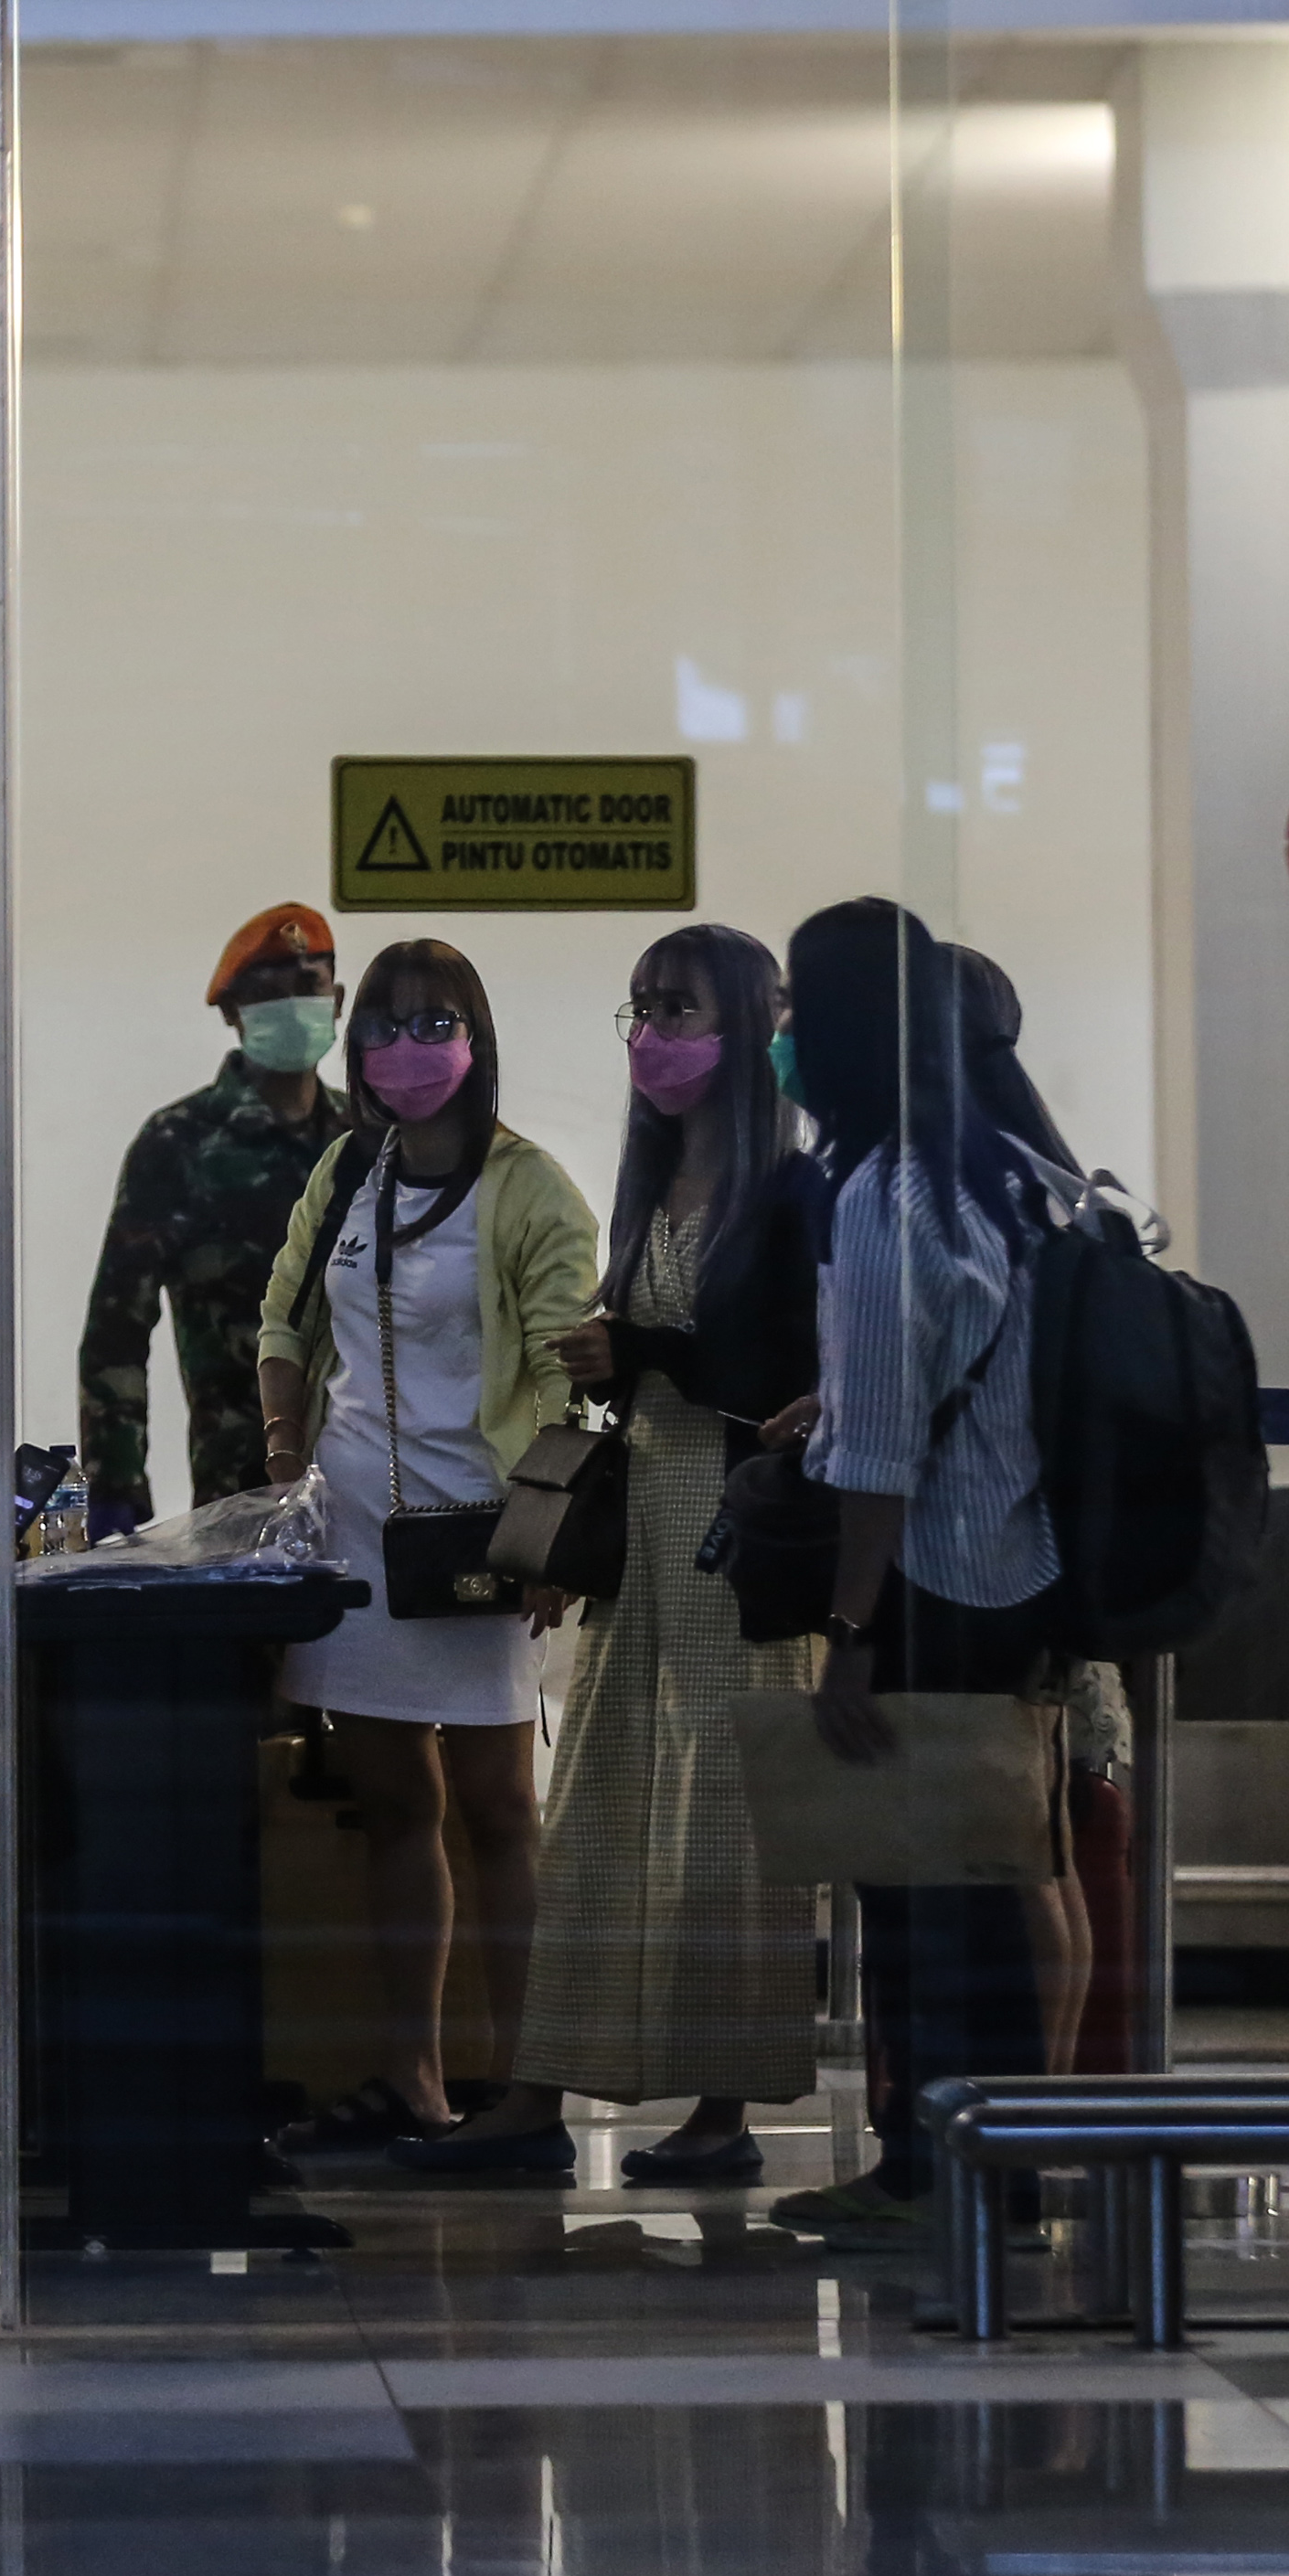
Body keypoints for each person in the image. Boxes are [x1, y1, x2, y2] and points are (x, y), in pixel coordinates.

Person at [410, 922, 829, 2187]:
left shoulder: (791, 1192)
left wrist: (644, 1354)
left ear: (752, 1027)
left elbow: (791, 1382)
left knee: (721, 1824)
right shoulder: (654, 1180)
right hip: (644, 1523)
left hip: (731, 1528)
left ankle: (722, 2103)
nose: (653, 1033)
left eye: (682, 1009)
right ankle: (535, 2086)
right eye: (641, 1007)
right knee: (596, 1811)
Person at [253, 941, 599, 2155]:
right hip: (356, 1528)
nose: (408, 1049)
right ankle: (411, 2074)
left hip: (484, 1531)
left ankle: (526, 2088)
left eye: (433, 1023)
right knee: (392, 1802)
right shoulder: (349, 1165)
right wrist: (284, 1428)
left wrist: (553, 1530)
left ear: (477, 1036)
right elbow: (283, 1308)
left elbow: (572, 1369)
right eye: (387, 1028)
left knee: (502, 1808)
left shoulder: (530, 1187)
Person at [770, 901, 1062, 2239]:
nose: (780, 1033)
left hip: (927, 1588)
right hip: (1016, 1568)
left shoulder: (885, 1198)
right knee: (985, 1885)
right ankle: (991, 2160)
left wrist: (849, 1628)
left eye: (792, 1008)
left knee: (914, 1891)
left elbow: (883, 1456)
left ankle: (922, 2165)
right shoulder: (1004, 1174)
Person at [953, 945, 1134, 2079]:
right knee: (1044, 1851)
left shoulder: (965, 1194)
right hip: (1056, 1558)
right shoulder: (1060, 1189)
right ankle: (1040, 2106)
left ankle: (1011, 2116)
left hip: (985, 1561)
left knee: (1012, 1859)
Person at [78, 901, 355, 1538]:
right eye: (268, 993)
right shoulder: (178, 1144)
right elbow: (114, 1337)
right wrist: (116, 1491)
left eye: (308, 986)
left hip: (374, 1479)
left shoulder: (368, 1140)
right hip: (239, 1491)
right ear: (233, 1013)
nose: (293, 1004)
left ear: (337, 1000)